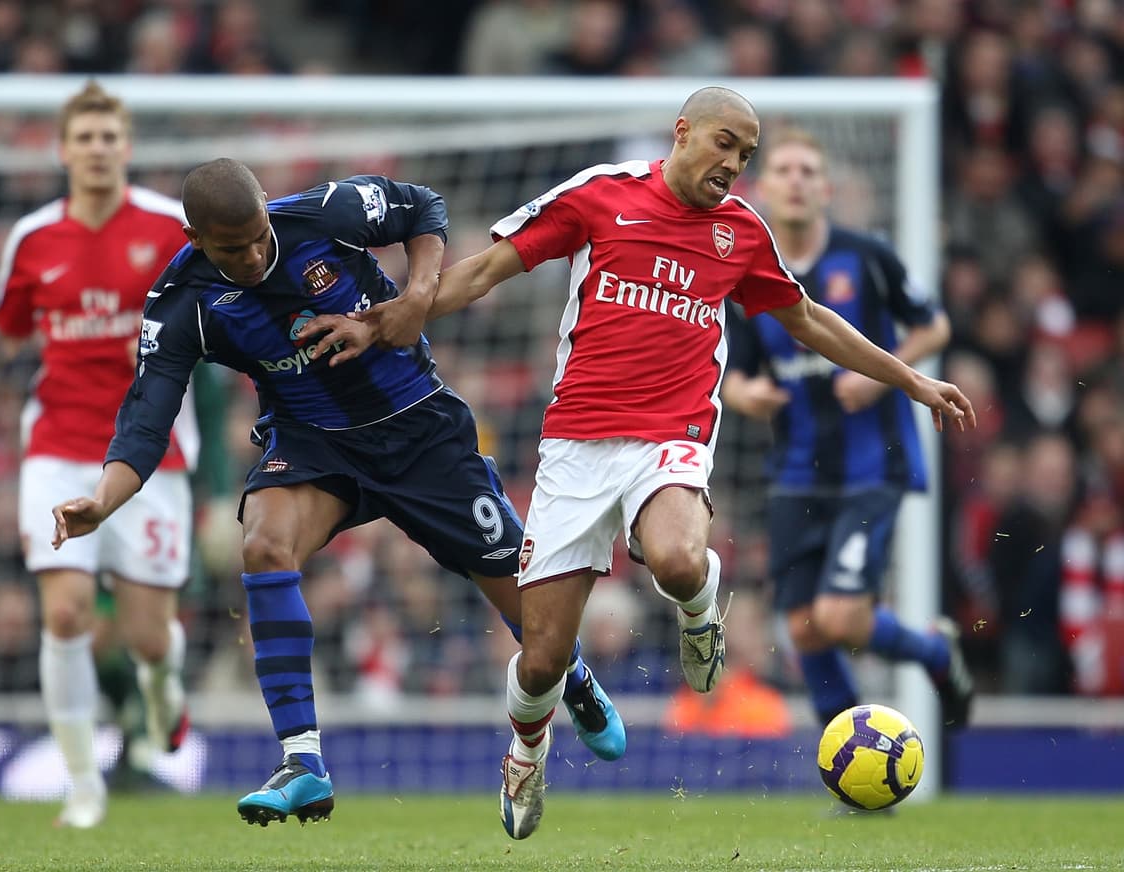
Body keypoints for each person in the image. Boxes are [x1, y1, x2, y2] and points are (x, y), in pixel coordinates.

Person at [335, 86, 976, 840]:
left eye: (746, 154)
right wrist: (386, 320)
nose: (733, 164)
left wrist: (910, 379)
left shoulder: (742, 232)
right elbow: (483, 273)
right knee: (542, 662)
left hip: (672, 434)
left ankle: (699, 613)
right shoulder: (600, 195)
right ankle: (526, 752)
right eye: (724, 143)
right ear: (683, 132)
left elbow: (807, 319)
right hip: (576, 448)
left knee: (676, 558)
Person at [50, 158, 627, 828]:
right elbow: (147, 420)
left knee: (535, 622)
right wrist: (103, 499)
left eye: (260, 236)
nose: (254, 255)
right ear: (196, 238)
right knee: (263, 545)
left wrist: (415, 297)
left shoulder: (323, 213)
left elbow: (423, 207)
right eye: (233, 249)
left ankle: (572, 676)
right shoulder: (183, 302)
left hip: (417, 429)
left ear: (267, 210)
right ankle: (302, 761)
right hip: (313, 444)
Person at [0, 81, 197, 829]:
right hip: (57, 442)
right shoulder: (34, 238)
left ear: (126, 146)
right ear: (62, 151)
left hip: (149, 450)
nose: (96, 149)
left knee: (148, 637)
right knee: (65, 614)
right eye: (84, 138)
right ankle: (83, 787)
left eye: (108, 137)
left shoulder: (169, 228)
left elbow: (218, 311)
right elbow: (7, 329)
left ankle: (162, 688)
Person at [720, 128, 975, 732]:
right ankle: (848, 752)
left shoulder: (865, 257)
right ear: (762, 188)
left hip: (871, 464)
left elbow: (934, 326)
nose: (797, 181)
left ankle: (935, 652)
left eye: (809, 171)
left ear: (827, 189)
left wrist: (883, 377)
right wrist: (746, 395)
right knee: (804, 627)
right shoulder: (746, 274)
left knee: (839, 618)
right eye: (784, 170)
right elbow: (733, 374)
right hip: (795, 469)